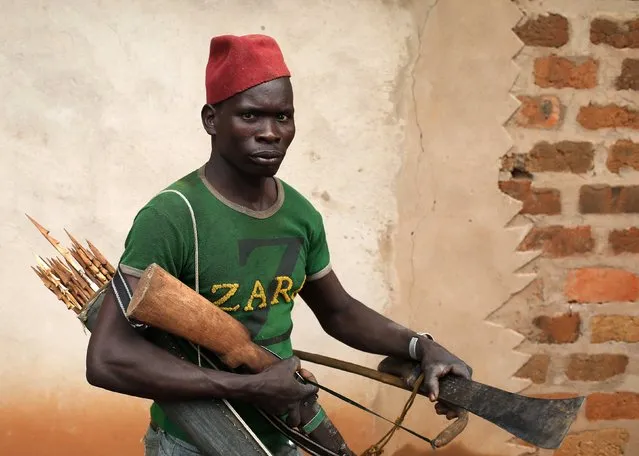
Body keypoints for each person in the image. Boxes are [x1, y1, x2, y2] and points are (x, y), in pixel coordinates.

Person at [85, 34, 472, 456]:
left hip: (283, 436)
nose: (270, 133)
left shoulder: (300, 215)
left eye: (283, 117)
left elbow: (339, 312)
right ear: (212, 119)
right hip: (193, 443)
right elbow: (108, 358)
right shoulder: (174, 216)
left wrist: (421, 346)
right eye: (251, 116)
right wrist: (247, 387)